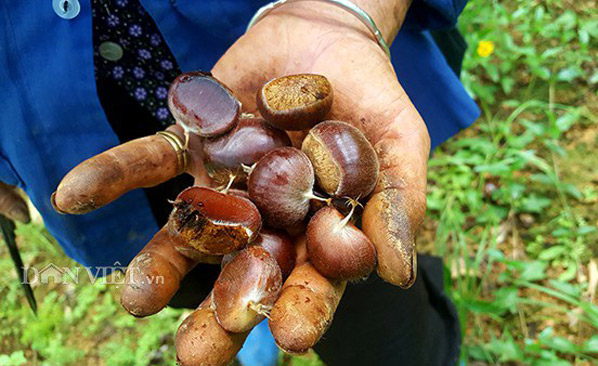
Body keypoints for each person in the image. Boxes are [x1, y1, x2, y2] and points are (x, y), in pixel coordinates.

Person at [0, 1, 479, 365]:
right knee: (184, 271)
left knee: (380, 320)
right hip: (57, 123)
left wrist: (338, 10)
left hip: (276, 37)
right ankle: (255, 317)